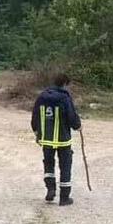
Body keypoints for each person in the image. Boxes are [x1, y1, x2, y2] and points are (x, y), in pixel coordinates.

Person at [31, 73, 81, 206]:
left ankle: (50, 190)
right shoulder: (64, 98)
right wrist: (78, 126)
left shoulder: (42, 96)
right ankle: (64, 198)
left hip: (46, 139)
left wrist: (36, 131)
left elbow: (35, 115)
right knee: (65, 166)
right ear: (65, 84)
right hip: (62, 139)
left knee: (48, 164)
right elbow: (71, 116)